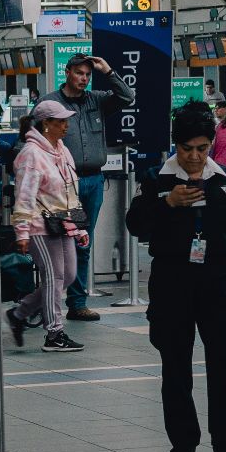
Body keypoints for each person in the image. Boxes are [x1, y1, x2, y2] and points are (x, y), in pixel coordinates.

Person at [127, 101, 226, 452]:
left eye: (202, 149)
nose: (195, 157)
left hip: (217, 281)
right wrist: (167, 203)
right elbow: (135, 225)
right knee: (175, 365)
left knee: (223, 362)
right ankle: (183, 440)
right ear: (177, 147)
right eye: (188, 150)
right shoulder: (157, 180)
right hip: (172, 282)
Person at [50, 53, 135, 324]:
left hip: (93, 182)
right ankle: (50, 299)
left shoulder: (96, 100)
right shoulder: (51, 103)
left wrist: (107, 69)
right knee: (63, 243)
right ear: (67, 72)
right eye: (79, 73)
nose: (84, 79)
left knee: (82, 242)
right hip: (66, 183)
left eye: (87, 74)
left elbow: (127, 97)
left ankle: (77, 303)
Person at [6, 99, 89, 353]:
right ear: (46, 124)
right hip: (39, 226)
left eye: (66, 121)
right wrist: (22, 231)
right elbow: (24, 196)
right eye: (60, 121)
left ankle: (19, 314)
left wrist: (79, 226)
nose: (66, 126)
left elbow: (70, 190)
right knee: (53, 277)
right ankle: (54, 332)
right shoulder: (31, 154)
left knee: (68, 276)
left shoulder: (61, 149)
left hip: (62, 223)